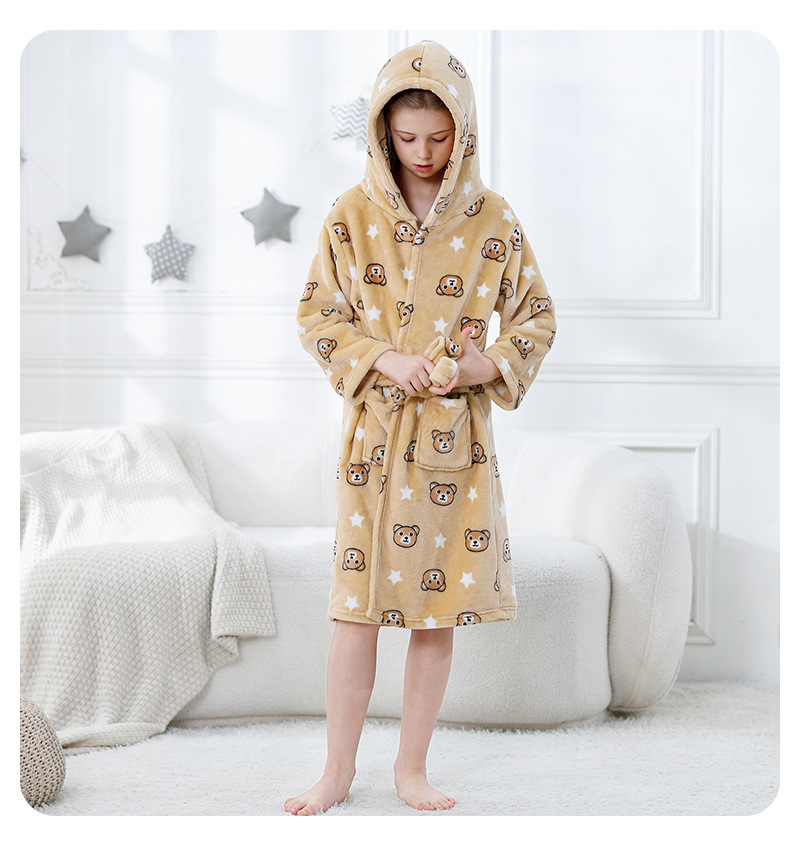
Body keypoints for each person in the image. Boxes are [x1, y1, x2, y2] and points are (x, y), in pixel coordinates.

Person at [288, 39, 556, 816]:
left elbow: (536, 318)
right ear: (383, 132)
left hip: (453, 450)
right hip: (373, 447)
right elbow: (317, 315)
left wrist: (479, 368)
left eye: (439, 138)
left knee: (435, 614)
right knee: (355, 611)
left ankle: (411, 769)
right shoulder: (350, 216)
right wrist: (383, 357)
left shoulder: (492, 219)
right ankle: (337, 770)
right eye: (408, 138)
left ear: (462, 131)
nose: (425, 153)